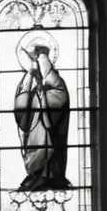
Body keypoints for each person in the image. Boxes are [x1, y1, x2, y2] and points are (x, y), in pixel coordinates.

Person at [14, 43, 72, 191]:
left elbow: (61, 96)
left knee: (47, 146)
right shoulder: (30, 78)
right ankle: (35, 174)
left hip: (48, 123)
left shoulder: (55, 79)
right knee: (34, 146)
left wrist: (43, 96)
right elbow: (21, 98)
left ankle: (48, 176)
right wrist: (33, 90)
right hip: (34, 122)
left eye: (40, 60)